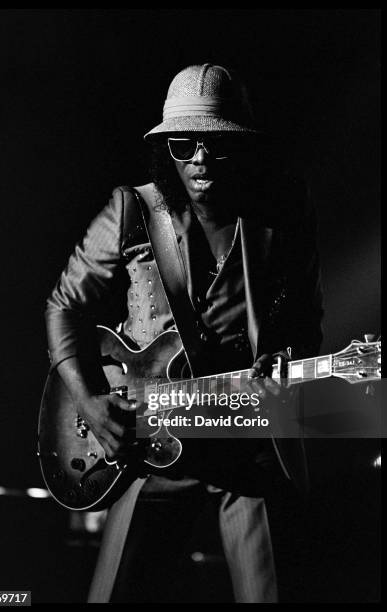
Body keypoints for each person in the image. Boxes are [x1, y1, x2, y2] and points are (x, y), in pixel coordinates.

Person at [45, 63, 323, 603]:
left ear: (242, 146)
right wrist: (89, 399)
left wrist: (290, 354)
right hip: (148, 444)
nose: (199, 157)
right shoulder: (133, 209)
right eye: (182, 143)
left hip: (245, 437)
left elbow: (306, 320)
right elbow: (63, 304)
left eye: (215, 142)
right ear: (165, 147)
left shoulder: (283, 212)